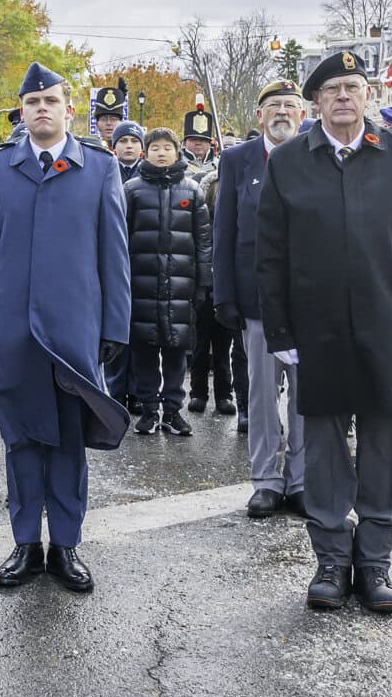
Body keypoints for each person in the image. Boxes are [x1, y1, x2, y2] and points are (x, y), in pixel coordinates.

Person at [257, 51, 392, 614]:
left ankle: (376, 562)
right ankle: (332, 562)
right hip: (317, 331)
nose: (343, 96)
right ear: (316, 102)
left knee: (385, 448)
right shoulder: (289, 162)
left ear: (369, 96)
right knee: (323, 452)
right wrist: (280, 328)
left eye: (353, 87)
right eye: (332, 88)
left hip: (389, 325)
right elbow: (271, 255)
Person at [0, 62, 129, 593]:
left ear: (68, 109)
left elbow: (114, 257)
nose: (41, 109)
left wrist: (114, 328)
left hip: (73, 331)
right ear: (22, 110)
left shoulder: (99, 169)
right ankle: (24, 545)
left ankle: (65, 545)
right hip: (10, 328)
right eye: (32, 102)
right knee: (21, 440)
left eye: (51, 101)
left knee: (67, 443)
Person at [214, 80, 308, 518]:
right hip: (257, 301)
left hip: (310, 299)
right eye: (274, 106)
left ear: (303, 114)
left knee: (306, 395)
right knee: (262, 394)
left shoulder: (315, 154)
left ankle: (303, 477)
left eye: (290, 105)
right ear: (260, 116)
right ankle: (267, 480)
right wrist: (225, 295)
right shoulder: (237, 160)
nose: (283, 112)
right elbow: (224, 232)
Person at [121, 127, 208, 436]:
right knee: (143, 352)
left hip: (180, 288)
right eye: (155, 147)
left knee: (176, 353)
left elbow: (203, 242)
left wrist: (203, 284)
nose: (161, 153)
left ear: (177, 152)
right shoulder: (131, 189)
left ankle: (173, 410)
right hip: (140, 285)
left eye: (166, 148)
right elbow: (120, 239)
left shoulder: (192, 190)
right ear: (146, 152)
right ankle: (148, 410)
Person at [181, 100, 239, 418]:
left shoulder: (230, 178)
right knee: (200, 341)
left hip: (227, 274)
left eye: (203, 140)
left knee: (225, 345)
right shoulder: (203, 183)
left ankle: (225, 394)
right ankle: (198, 392)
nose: (198, 144)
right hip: (204, 271)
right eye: (193, 140)